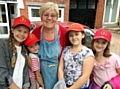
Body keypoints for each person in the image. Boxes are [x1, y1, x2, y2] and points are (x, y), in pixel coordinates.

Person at [32, 2, 68, 89]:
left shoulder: (63, 33)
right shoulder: (35, 33)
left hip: (59, 74)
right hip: (40, 75)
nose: (49, 18)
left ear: (57, 18)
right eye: (46, 15)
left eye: (53, 15)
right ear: (41, 16)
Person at [58, 23, 94, 89]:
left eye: (77, 34)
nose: (74, 37)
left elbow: (85, 76)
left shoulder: (87, 53)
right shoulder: (66, 50)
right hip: (65, 86)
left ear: (83, 35)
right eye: (71, 35)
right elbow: (61, 68)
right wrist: (62, 84)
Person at [0, 15, 31, 89]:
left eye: (25, 32)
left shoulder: (24, 50)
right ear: (12, 30)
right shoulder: (3, 45)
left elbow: (25, 74)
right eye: (19, 30)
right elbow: (2, 72)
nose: (22, 34)